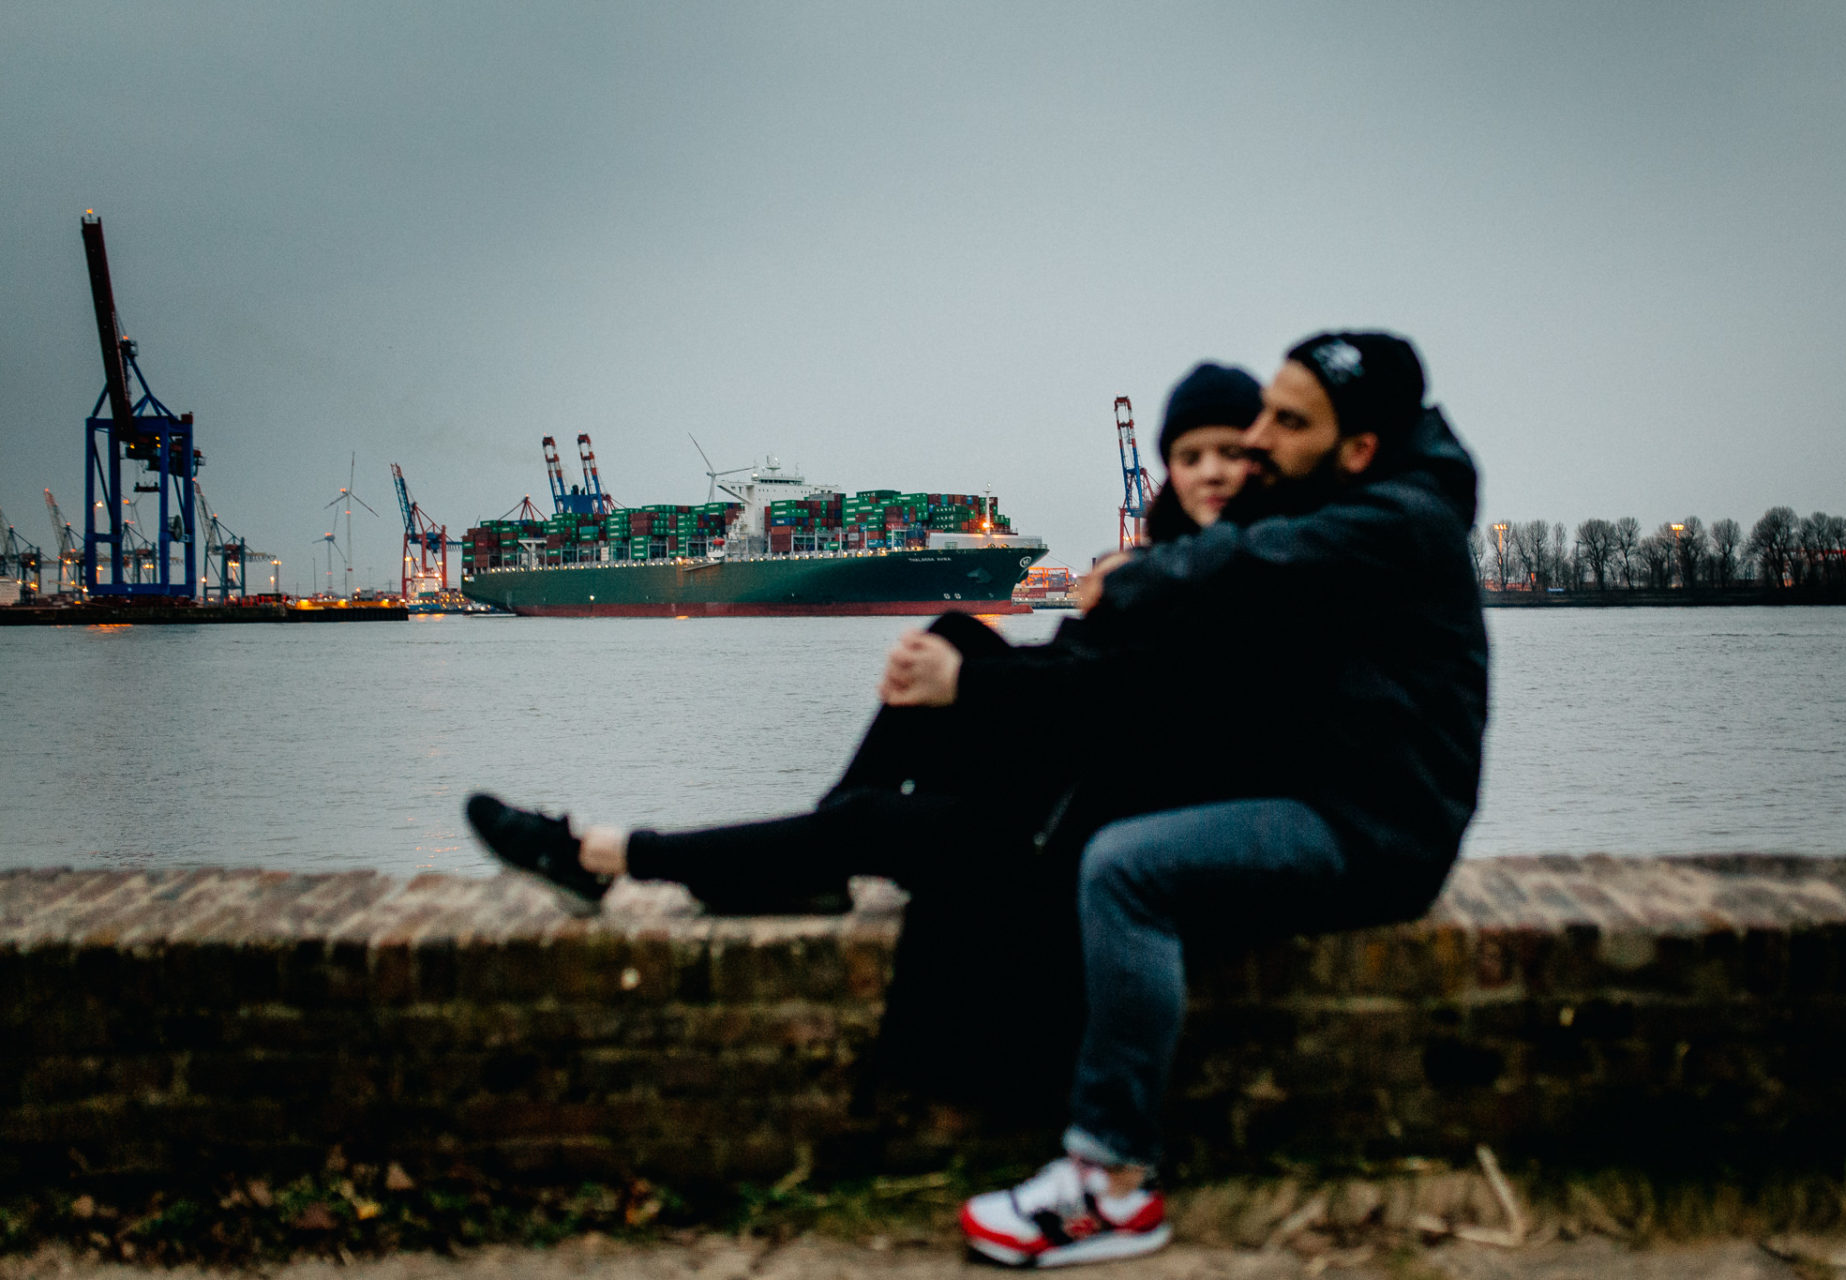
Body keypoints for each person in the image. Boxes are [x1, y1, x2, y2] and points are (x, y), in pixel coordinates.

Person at [465, 361, 1266, 1111]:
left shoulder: (1258, 557)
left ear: (1264, 454)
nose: (1212, 471)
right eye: (1191, 454)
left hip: (1112, 807)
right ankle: (821, 847)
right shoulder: (1183, 556)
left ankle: (596, 855)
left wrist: (977, 683)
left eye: (1233, 450)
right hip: (1090, 762)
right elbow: (1097, 675)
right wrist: (980, 660)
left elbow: (1142, 694)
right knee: (953, 627)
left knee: (869, 817)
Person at [951, 332, 1487, 1267]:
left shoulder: (1398, 517)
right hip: (1332, 786)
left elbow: (1247, 562)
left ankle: (1111, 1182)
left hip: (1376, 828)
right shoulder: (1361, 491)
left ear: (1357, 447)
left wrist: (1128, 581)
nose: (1259, 437)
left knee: (1125, 872)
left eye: (1286, 421)